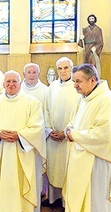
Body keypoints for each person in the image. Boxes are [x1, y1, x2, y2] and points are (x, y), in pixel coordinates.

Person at [63, 64, 111, 211]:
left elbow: (104, 135)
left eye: (78, 81)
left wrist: (74, 134)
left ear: (92, 80)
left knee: (97, 202)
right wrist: (68, 129)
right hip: (82, 159)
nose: (75, 86)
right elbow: (73, 121)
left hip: (99, 162)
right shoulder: (83, 98)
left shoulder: (107, 100)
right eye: (74, 81)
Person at [0, 70, 46, 212]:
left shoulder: (32, 103)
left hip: (24, 153)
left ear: (20, 83)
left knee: (23, 182)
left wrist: (20, 135)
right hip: (2, 152)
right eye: (8, 82)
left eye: (14, 81)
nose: (11, 84)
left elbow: (37, 127)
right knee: (4, 184)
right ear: (3, 84)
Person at [44, 57, 79, 206]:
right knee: (53, 169)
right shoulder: (52, 87)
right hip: (53, 137)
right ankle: (53, 199)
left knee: (67, 171)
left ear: (71, 69)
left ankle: (67, 203)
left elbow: (78, 113)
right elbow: (46, 109)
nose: (63, 71)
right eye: (60, 68)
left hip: (68, 138)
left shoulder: (77, 87)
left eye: (66, 68)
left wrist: (65, 132)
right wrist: (50, 129)